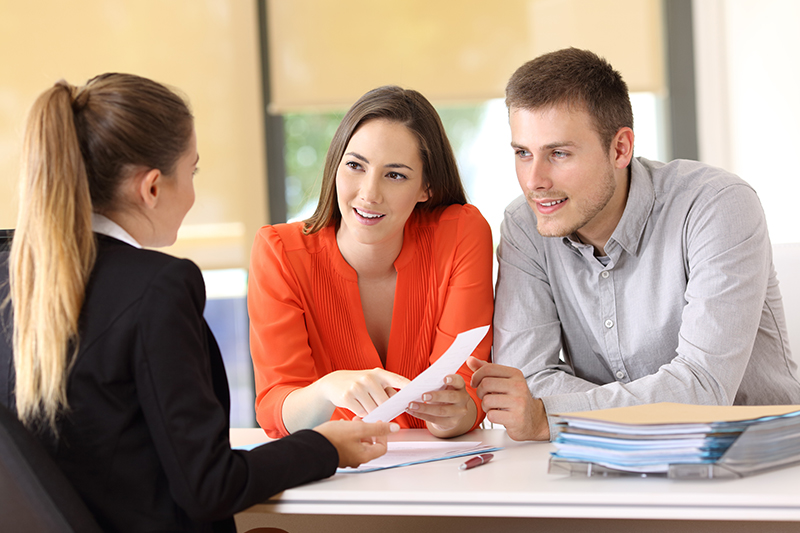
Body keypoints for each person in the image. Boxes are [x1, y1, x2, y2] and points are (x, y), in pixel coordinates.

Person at [0, 73, 397, 533]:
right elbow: (209, 485)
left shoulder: (13, 272)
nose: (192, 191)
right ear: (151, 188)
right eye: (192, 172)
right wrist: (327, 446)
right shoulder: (156, 288)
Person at [469, 48, 800, 442]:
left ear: (620, 149)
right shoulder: (525, 226)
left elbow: (704, 391)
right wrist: (562, 413)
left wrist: (550, 416)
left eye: (558, 153)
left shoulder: (717, 204)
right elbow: (523, 384)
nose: (534, 181)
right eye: (523, 153)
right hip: (603, 463)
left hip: (753, 461)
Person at [248, 85, 494, 439]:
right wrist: (325, 389)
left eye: (395, 175)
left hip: (438, 472)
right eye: (355, 166)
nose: (369, 193)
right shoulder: (279, 252)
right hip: (335, 474)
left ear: (426, 187)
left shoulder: (460, 234)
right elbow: (276, 409)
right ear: (335, 166)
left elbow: (467, 385)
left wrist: (457, 412)